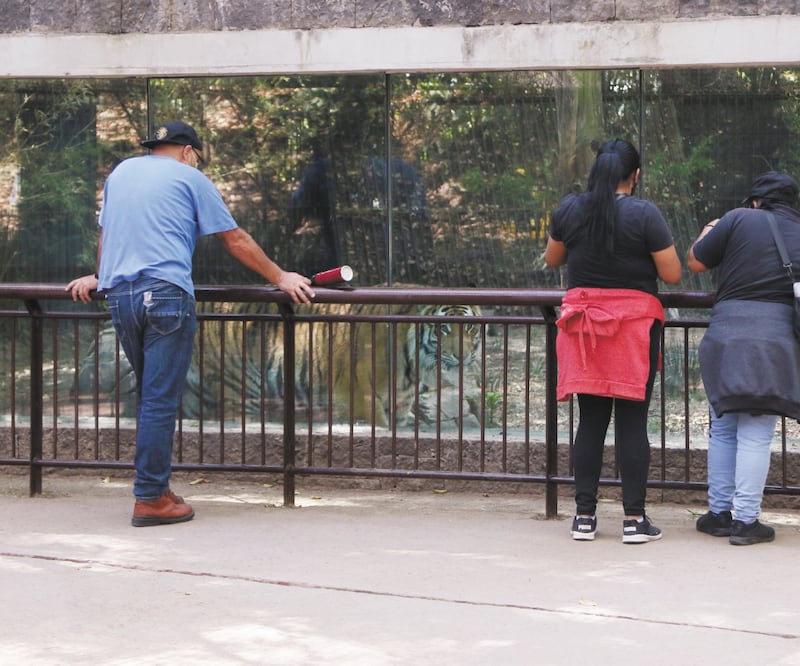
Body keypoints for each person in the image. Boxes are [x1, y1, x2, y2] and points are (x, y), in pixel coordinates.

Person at [66, 121, 315, 527]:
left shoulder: (121, 173)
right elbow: (234, 239)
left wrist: (102, 275)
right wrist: (280, 277)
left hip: (122, 296)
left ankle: (158, 490)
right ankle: (149, 498)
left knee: (150, 398)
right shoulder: (190, 177)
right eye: (197, 156)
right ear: (187, 151)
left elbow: (108, 233)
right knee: (159, 400)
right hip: (164, 294)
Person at [544, 138, 681, 544]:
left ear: (596, 172)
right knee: (632, 422)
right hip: (634, 330)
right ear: (635, 175)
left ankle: (583, 517)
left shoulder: (571, 208)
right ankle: (634, 520)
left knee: (590, 421)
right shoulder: (645, 214)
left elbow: (553, 259)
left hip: (585, 329)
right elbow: (672, 274)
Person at [687, 171, 800, 545]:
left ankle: (719, 513)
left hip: (725, 335)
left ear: (756, 201)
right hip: (774, 340)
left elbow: (695, 262)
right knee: (756, 430)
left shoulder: (737, 219)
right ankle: (746, 521)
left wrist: (710, 226)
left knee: (724, 424)